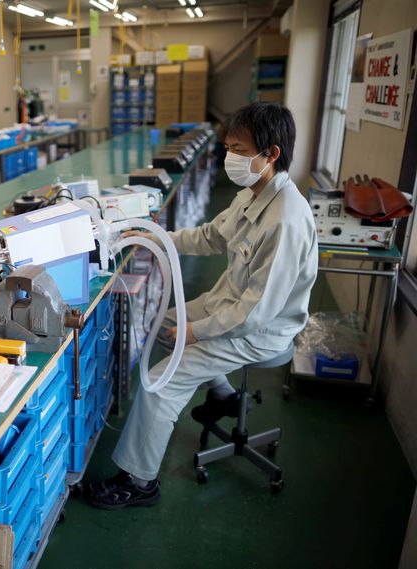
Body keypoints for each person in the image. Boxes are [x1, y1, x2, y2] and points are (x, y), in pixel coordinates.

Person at [87, 102, 318, 509]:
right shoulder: (254, 193)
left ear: (272, 153)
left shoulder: (286, 220)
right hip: (227, 306)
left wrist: (194, 334)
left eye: (240, 149)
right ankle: (225, 394)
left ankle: (139, 483)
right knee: (160, 322)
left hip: (259, 331)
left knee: (161, 384)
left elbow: (255, 313)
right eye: (228, 146)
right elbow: (212, 236)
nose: (231, 156)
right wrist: (153, 235)